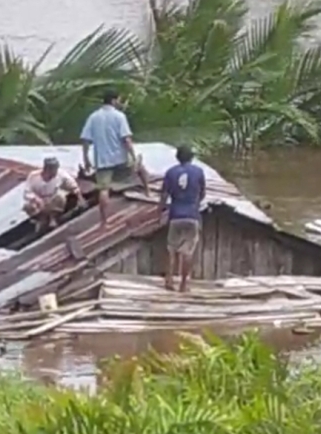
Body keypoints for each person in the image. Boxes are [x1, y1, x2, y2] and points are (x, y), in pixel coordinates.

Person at [81, 88, 150, 225]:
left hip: (103, 160)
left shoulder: (93, 117)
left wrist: (86, 159)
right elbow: (126, 139)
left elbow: (85, 140)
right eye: (118, 100)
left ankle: (104, 222)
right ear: (113, 101)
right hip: (121, 158)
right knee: (141, 167)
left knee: (104, 189)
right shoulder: (119, 116)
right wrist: (133, 157)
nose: (119, 102)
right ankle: (148, 191)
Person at [157, 145, 206, 293]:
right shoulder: (199, 172)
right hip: (192, 215)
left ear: (177, 157)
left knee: (171, 249)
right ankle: (183, 285)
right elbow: (203, 193)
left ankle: (169, 280)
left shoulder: (170, 172)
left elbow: (164, 195)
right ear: (191, 157)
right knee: (187, 252)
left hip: (175, 215)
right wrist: (195, 203)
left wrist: (159, 211)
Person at [23, 157, 85, 230]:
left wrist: (80, 197)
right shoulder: (33, 176)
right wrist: (36, 199)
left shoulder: (61, 174)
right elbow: (27, 192)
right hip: (39, 200)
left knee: (60, 196)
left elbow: (72, 185)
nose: (55, 172)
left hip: (52, 199)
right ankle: (41, 219)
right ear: (47, 169)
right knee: (28, 206)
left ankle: (53, 218)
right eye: (53, 169)